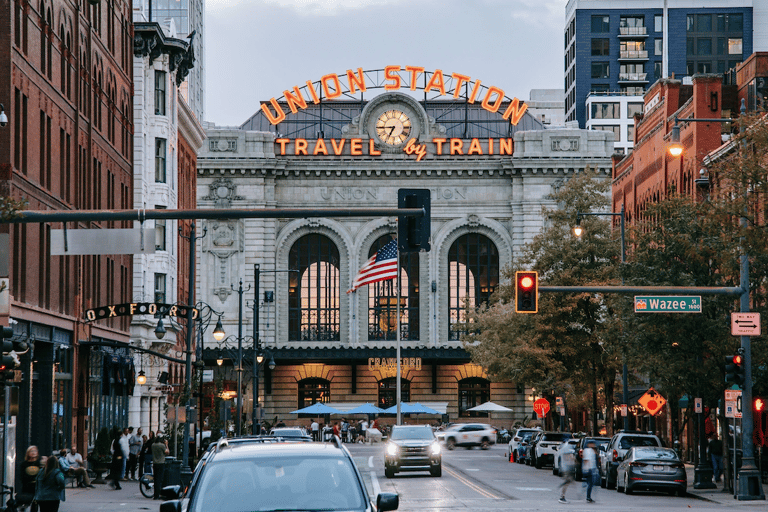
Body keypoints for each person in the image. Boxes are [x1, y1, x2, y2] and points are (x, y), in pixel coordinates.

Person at [20, 445, 43, 512]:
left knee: (35, 505)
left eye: (35, 451)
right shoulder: (24, 464)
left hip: (37, 487)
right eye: (31, 451)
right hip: (27, 487)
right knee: (27, 504)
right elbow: (22, 476)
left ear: (37, 453)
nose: (33, 452)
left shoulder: (39, 463)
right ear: (28, 453)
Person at [152, 435, 170, 500]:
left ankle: (155, 494)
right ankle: (158, 494)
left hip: (155, 463)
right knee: (160, 479)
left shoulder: (153, 445)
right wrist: (166, 445)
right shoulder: (162, 445)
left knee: (156, 479)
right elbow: (167, 452)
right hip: (161, 463)